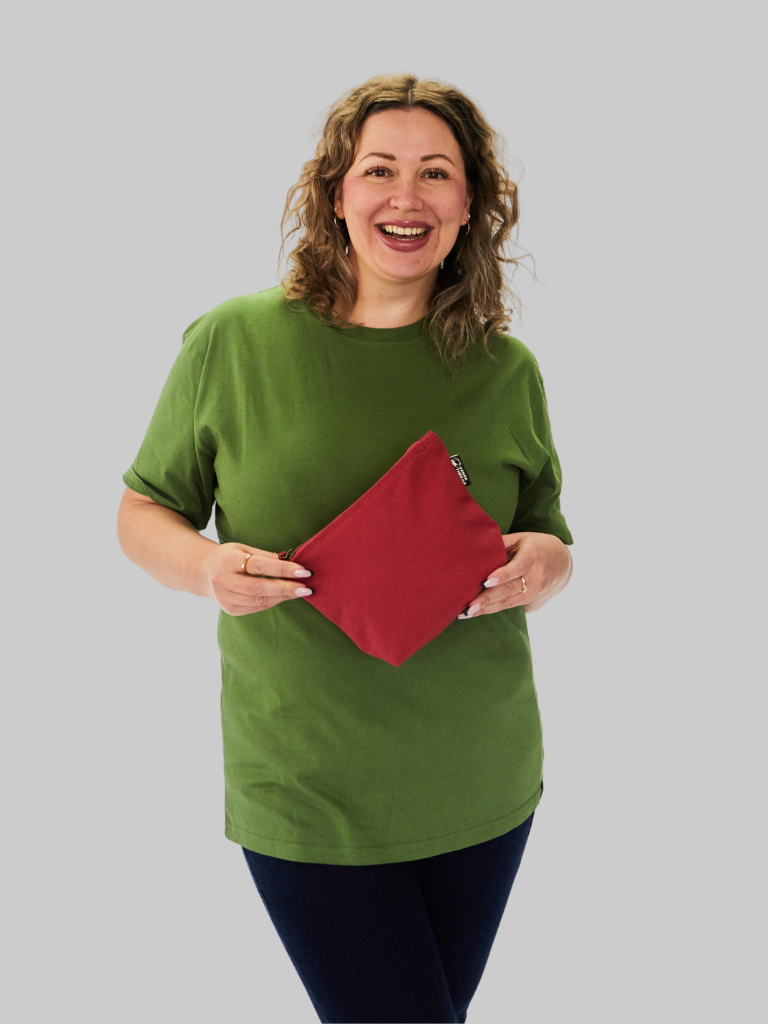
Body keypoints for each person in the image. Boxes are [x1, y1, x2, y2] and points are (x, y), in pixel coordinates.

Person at [117, 72, 574, 1024]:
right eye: (380, 170)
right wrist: (206, 568)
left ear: (469, 206)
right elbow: (144, 509)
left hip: (480, 779)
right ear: (337, 194)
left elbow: (547, 533)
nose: (406, 197)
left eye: (436, 173)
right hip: (305, 783)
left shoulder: (503, 369)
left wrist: (551, 564)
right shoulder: (234, 342)